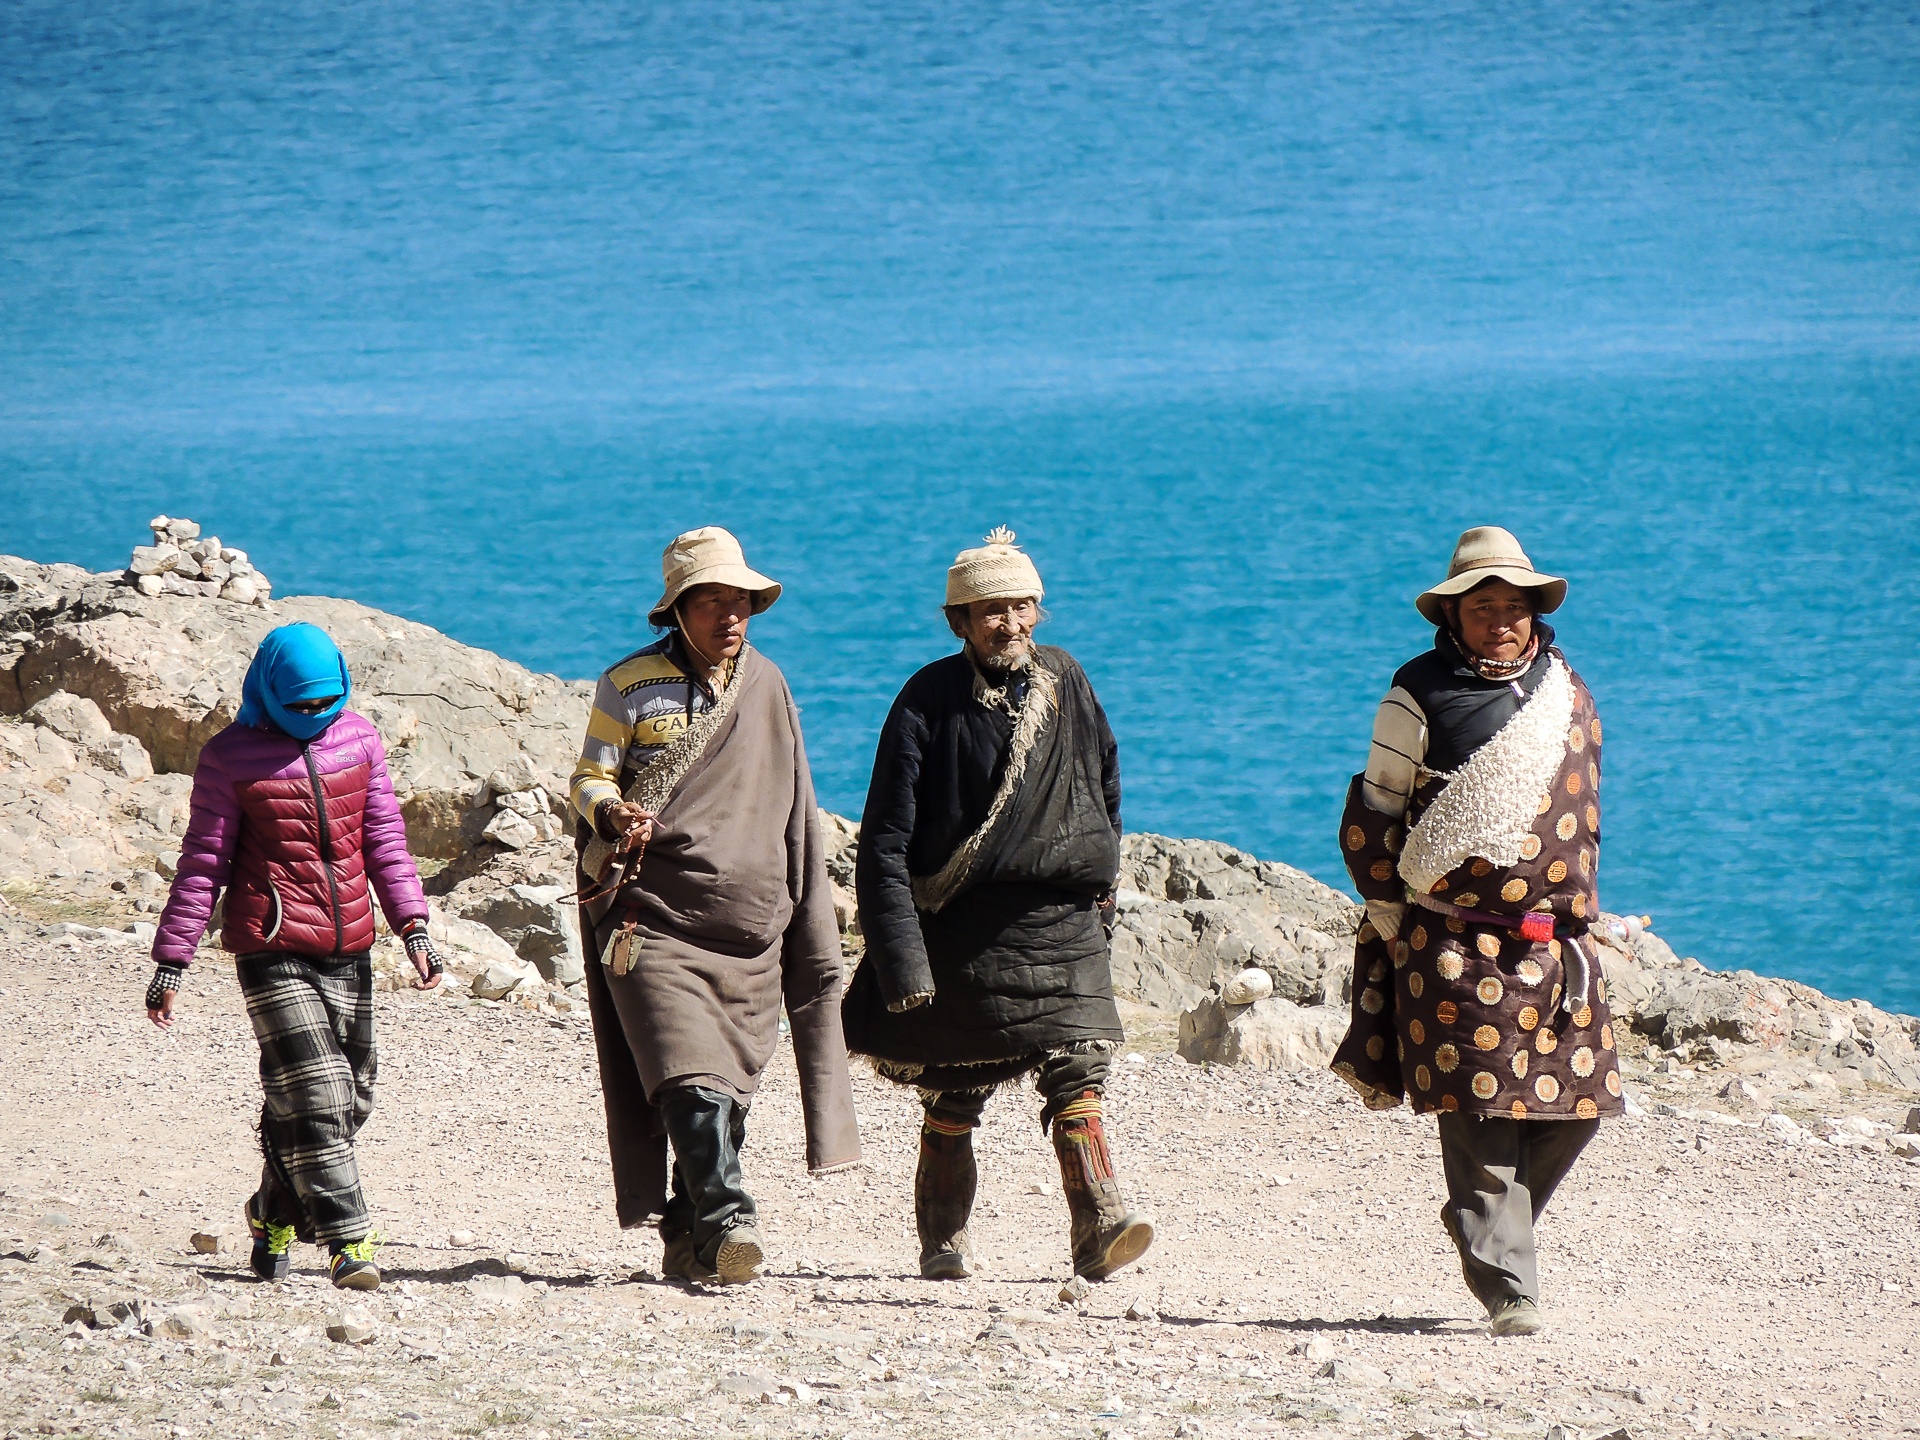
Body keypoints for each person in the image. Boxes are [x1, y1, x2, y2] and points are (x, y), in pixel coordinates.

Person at [1330, 525, 1622, 1336]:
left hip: (1556, 945)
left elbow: (1578, 815)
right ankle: (1507, 1284)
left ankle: (1484, 1219)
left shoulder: (1566, 688)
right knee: (1481, 1106)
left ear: (1536, 612)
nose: (1501, 620)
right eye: (1482, 606)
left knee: (1578, 1106)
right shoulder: (1418, 692)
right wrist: (1387, 907)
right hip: (1453, 940)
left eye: (1514, 606)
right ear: (1452, 617)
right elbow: (1377, 806)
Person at [844, 527, 1152, 1283]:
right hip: (964, 931)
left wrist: (1101, 887)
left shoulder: (1067, 678)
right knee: (955, 1090)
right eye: (989, 612)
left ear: (1039, 612)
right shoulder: (926, 700)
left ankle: (1099, 1221)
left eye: (1020, 608)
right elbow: (884, 839)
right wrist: (899, 957)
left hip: (1061, 922)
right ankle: (942, 1242)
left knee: (1079, 1067)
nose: (1008, 624)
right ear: (959, 622)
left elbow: (1102, 782)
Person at [570, 526, 860, 1286]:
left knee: (726, 1092)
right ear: (678, 610)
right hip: (652, 917)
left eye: (742, 603)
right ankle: (731, 1214)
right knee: (686, 1073)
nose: (732, 618)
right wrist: (612, 814)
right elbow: (591, 777)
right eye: (714, 603)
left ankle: (688, 1229)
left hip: (750, 931)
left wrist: (804, 909)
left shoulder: (769, 685)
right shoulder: (627, 683)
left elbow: (796, 803)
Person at [144, 623, 442, 1292]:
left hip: (351, 945)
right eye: (300, 705)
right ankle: (349, 1242)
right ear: (270, 691)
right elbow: (203, 864)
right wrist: (173, 960)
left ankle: (271, 1209)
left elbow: (386, 839)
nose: (314, 717)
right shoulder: (230, 757)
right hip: (271, 946)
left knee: (347, 1098)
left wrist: (413, 927)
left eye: (325, 703)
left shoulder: (359, 740)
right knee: (316, 1093)